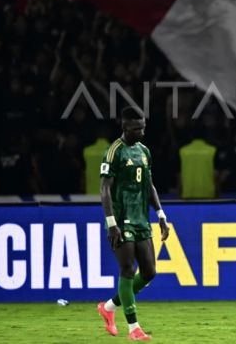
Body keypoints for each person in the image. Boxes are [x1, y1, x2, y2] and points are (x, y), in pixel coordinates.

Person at [96, 107, 170, 341]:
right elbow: (104, 189)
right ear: (125, 126)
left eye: (143, 127)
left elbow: (149, 185)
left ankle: (108, 307)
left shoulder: (144, 151)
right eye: (137, 128)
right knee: (127, 270)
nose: (141, 132)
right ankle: (134, 328)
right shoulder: (114, 152)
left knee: (149, 272)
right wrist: (111, 223)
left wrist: (160, 214)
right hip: (121, 220)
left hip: (141, 219)